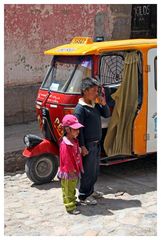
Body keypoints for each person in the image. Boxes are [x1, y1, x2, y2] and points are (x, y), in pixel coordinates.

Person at [74, 77, 110, 205]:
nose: (96, 93)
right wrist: (82, 146)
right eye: (94, 90)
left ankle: (91, 190)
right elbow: (79, 131)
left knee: (94, 170)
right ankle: (84, 195)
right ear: (85, 91)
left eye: (97, 90)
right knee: (87, 171)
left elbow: (106, 115)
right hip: (88, 145)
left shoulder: (94, 105)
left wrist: (104, 104)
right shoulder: (80, 109)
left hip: (96, 143)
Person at [57, 114, 84, 215]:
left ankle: (73, 201)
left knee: (72, 188)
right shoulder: (65, 144)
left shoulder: (74, 141)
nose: (78, 131)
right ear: (68, 130)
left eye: (78, 129)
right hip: (69, 172)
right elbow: (66, 160)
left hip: (74, 170)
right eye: (75, 129)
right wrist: (71, 170)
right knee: (68, 189)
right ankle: (70, 207)